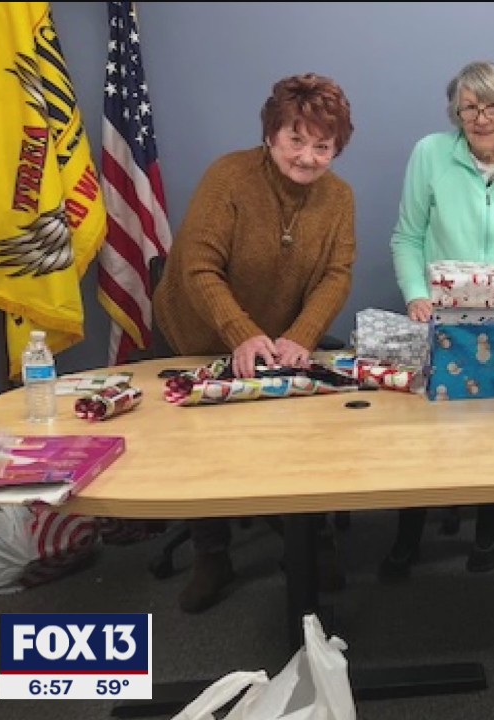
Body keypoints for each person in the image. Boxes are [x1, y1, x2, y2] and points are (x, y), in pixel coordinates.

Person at [152, 73, 356, 613]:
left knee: (313, 428)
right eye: (296, 139)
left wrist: (299, 337)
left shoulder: (338, 199)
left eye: (323, 146)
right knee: (205, 440)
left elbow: (336, 275)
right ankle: (212, 552)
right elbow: (196, 267)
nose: (308, 157)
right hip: (199, 329)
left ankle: (314, 540)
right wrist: (241, 335)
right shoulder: (229, 178)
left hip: (282, 331)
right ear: (271, 134)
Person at [382, 60, 494, 580]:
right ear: (455, 111)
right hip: (440, 314)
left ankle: (490, 523)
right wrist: (417, 294)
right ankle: (408, 531)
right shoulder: (431, 154)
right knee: (426, 428)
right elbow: (408, 236)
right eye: (469, 106)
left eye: (493, 106)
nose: (481, 117)